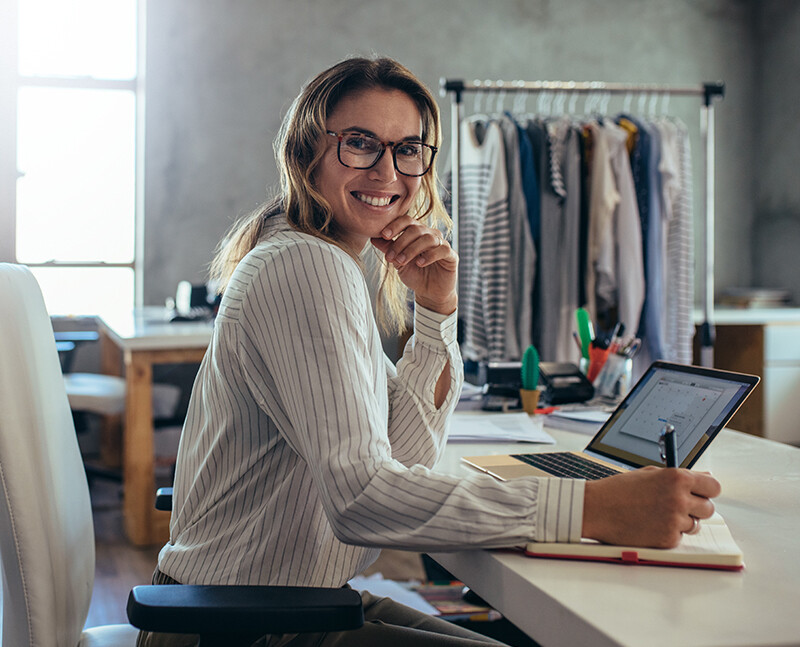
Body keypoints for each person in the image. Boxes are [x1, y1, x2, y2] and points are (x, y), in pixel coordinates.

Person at [138, 56, 720, 647]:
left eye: (408, 148)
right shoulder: (304, 266)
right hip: (237, 627)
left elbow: (406, 459)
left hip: (283, 607)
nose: (388, 170)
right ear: (306, 151)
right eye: (360, 143)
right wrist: (591, 506)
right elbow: (363, 501)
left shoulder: (326, 260)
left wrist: (436, 312)